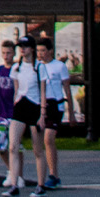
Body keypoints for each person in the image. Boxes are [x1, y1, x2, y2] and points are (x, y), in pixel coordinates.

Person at [1, 36, 44, 196]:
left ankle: (40, 186)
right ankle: (14, 184)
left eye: (25, 47)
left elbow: (43, 92)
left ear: (31, 49)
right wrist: (14, 106)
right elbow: (16, 90)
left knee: (37, 150)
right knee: (13, 146)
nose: (22, 50)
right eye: (21, 47)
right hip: (20, 107)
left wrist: (43, 114)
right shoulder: (16, 68)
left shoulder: (39, 67)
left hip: (35, 106)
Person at [35, 39, 69, 189]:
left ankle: (53, 175)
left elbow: (66, 89)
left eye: (43, 50)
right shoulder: (36, 67)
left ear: (50, 51)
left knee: (49, 139)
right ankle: (47, 174)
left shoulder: (60, 66)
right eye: (38, 50)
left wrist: (72, 112)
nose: (40, 54)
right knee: (40, 141)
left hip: (55, 105)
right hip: (41, 104)